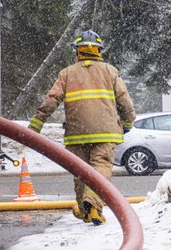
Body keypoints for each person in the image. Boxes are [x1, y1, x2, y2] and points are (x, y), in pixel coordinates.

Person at [27, 29, 135, 226]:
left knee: (80, 172)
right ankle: (92, 205)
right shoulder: (110, 71)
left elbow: (51, 100)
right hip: (105, 132)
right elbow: (124, 102)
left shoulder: (67, 73)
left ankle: (86, 210)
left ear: (78, 51)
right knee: (101, 167)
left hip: (77, 133)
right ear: (98, 50)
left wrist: (35, 126)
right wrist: (128, 123)